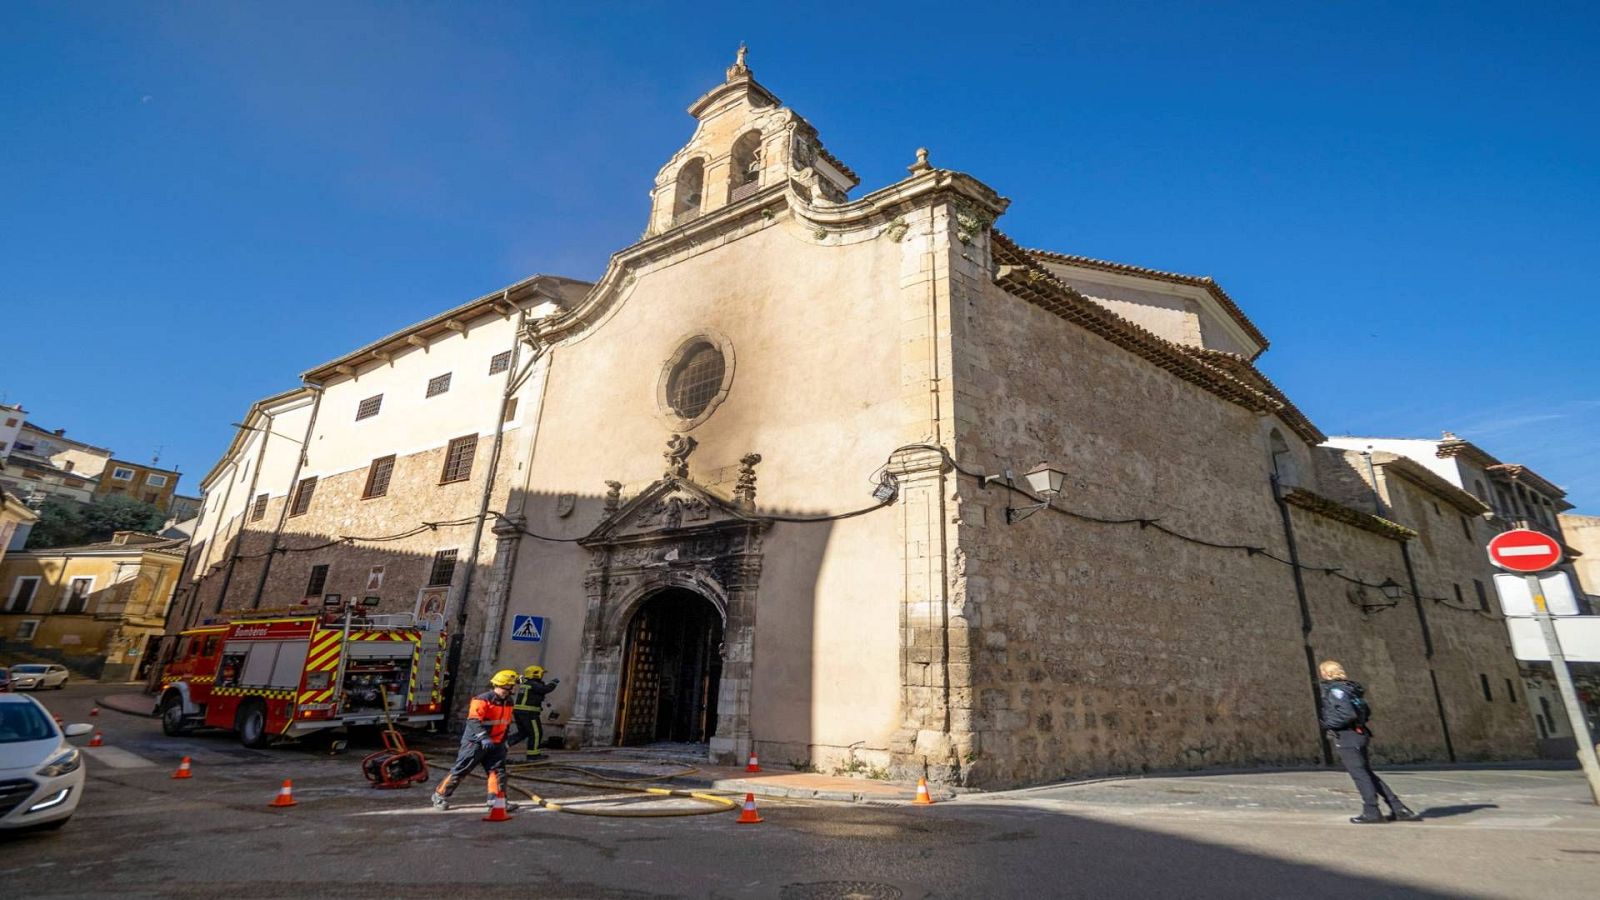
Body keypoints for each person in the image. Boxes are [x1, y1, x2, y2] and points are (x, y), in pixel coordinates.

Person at [1318, 659, 1421, 824]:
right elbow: (1365, 712)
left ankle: (1372, 811)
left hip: (1347, 736)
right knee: (1367, 773)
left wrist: (1328, 724)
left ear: (1326, 673)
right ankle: (1399, 808)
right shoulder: (1350, 688)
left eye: (1322, 671)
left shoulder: (1336, 690)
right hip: (1358, 734)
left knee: (1360, 775)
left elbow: (1347, 714)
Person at [431, 669, 519, 811]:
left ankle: (496, 801)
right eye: (513, 684)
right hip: (475, 742)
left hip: (496, 743)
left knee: (497, 772)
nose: (515, 687)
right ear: (505, 685)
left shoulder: (508, 701)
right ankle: (439, 795)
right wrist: (483, 738)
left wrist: (504, 741)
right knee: (462, 768)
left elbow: (505, 722)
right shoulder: (482, 700)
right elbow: (473, 721)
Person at [513, 665, 560, 761]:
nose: (542, 675)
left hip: (520, 712)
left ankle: (503, 745)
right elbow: (545, 689)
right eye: (541, 673)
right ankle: (533, 755)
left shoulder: (527, 683)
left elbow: (541, 695)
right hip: (529, 713)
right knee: (536, 733)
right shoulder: (533, 684)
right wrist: (553, 683)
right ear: (535, 674)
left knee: (523, 733)